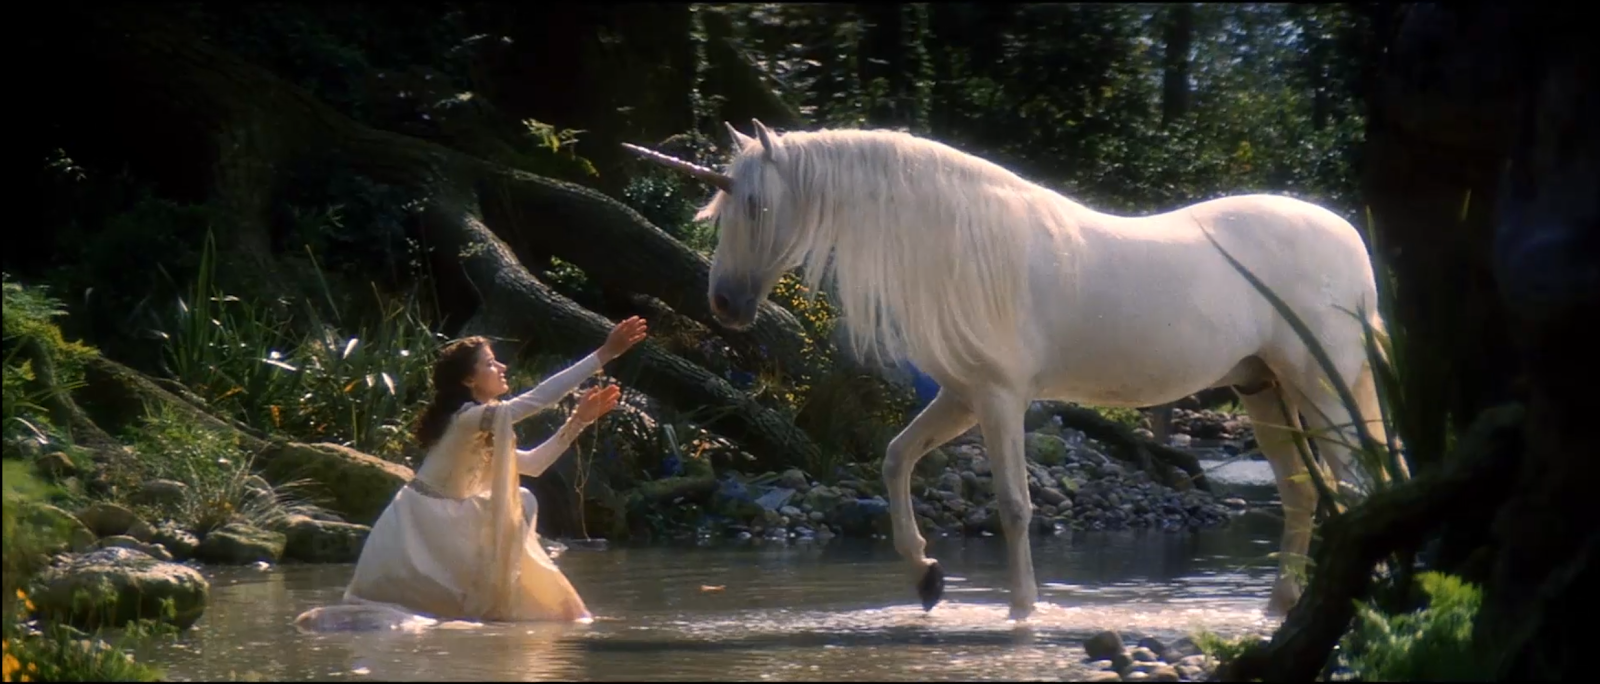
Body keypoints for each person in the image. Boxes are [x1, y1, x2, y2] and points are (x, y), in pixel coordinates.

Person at [340, 316, 649, 624]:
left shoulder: (479, 425)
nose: (502, 367)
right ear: (469, 380)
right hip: (421, 523)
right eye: (490, 363)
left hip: (445, 518)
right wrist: (604, 354)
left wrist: (578, 421)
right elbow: (537, 399)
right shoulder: (468, 418)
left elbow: (535, 464)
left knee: (524, 498)